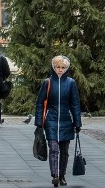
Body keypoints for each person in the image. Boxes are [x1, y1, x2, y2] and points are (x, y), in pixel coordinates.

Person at [35, 55, 82, 188]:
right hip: (51, 120)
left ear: (66, 68)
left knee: (64, 151)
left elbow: (75, 104)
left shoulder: (71, 83)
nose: (60, 70)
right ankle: (54, 175)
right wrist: (39, 121)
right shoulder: (47, 82)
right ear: (53, 67)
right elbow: (40, 103)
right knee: (54, 149)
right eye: (57, 67)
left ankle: (62, 175)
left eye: (63, 67)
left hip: (66, 121)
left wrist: (77, 122)